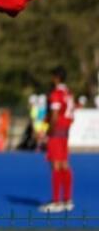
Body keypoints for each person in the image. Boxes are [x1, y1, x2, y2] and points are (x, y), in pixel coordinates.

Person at [39, 66, 75, 213]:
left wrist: (48, 130)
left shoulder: (56, 94)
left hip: (57, 131)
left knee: (55, 165)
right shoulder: (68, 92)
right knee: (64, 164)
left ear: (56, 78)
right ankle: (67, 200)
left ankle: (56, 202)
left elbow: (54, 115)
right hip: (65, 131)